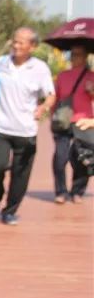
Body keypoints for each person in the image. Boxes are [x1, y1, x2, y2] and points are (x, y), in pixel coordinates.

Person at [0, 27, 56, 224]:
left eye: (21, 42)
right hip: (1, 127)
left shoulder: (40, 68)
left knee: (20, 174)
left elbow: (51, 95)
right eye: (15, 41)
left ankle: (10, 210)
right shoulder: (1, 63)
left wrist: (43, 107)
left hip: (26, 130)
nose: (16, 45)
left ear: (32, 46)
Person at [51, 43, 93, 203]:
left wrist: (92, 91)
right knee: (60, 158)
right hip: (63, 121)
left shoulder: (91, 76)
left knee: (82, 158)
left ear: (85, 57)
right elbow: (55, 97)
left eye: (78, 54)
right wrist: (52, 116)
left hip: (83, 122)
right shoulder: (62, 76)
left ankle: (77, 191)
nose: (74, 57)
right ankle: (61, 191)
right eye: (72, 54)